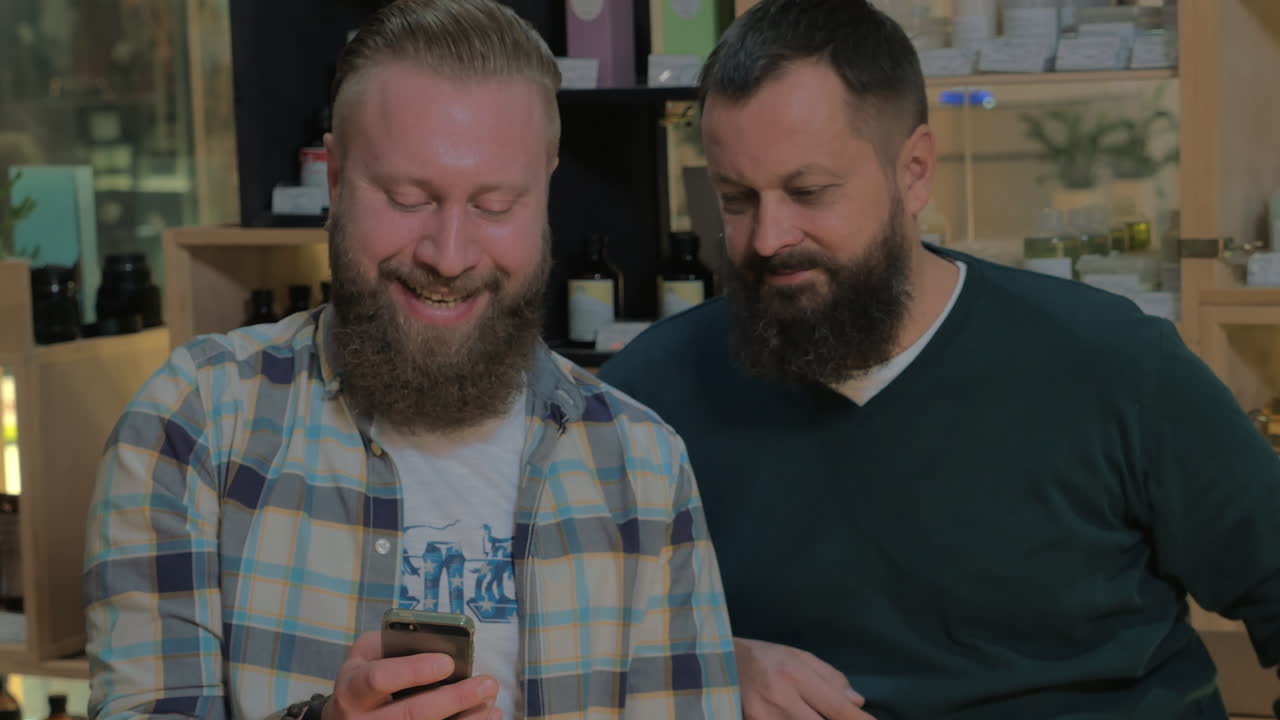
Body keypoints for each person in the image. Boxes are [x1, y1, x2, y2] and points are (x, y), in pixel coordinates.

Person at [598, 0, 1280, 718]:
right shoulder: (652, 396)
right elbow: (562, 627)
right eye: (736, 200)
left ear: (915, 171)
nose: (768, 238)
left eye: (809, 192)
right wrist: (700, 660)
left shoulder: (1114, 364)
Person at [82, 1, 739, 719]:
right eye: (406, 198)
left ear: (546, 189)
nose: (448, 257)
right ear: (335, 179)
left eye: (495, 205)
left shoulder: (644, 470)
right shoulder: (195, 426)